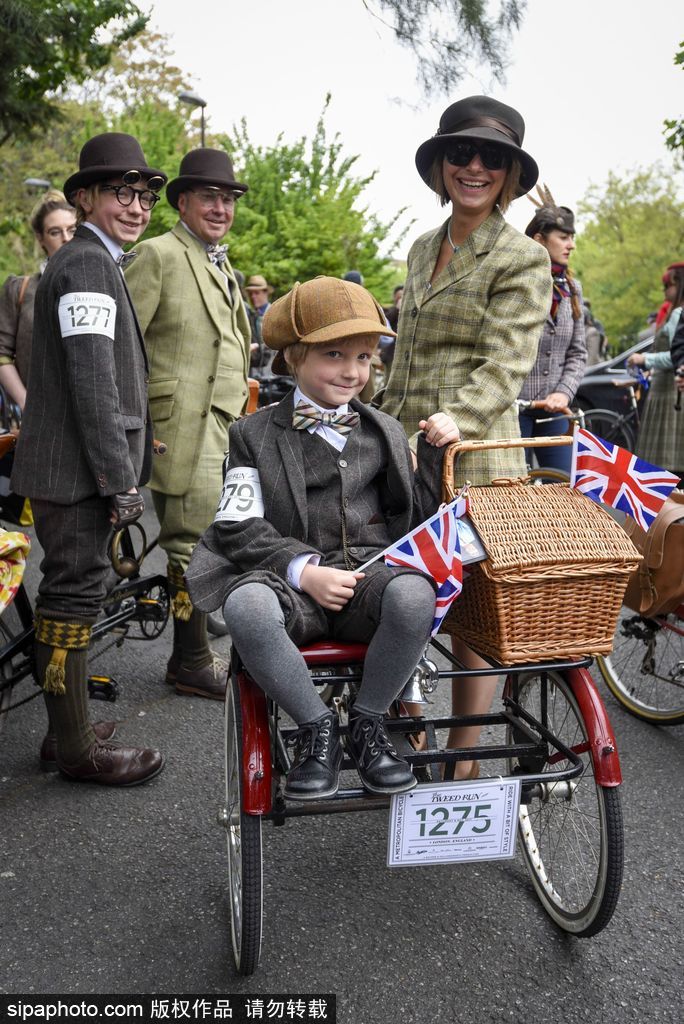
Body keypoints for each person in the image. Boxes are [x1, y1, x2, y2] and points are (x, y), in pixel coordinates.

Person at [185, 276, 460, 800]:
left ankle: (369, 722)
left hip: (367, 581)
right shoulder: (253, 434)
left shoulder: (383, 428)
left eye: (364, 356)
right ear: (293, 356)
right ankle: (316, 728)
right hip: (293, 588)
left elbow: (418, 523)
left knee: (415, 593)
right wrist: (303, 569)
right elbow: (236, 525)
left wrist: (433, 454)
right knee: (244, 607)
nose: (353, 371)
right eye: (334, 355)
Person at [377, 95, 551, 778]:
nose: (473, 167)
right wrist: (365, 420)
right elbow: (404, 354)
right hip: (401, 445)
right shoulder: (423, 246)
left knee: (472, 601)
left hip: (472, 452)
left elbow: (508, 361)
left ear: (509, 174)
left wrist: (462, 415)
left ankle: (465, 755)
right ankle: (408, 716)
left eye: (492, 158)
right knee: (402, 590)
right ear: (441, 163)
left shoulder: (521, 256)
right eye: (461, 153)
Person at [11, 132, 166, 784]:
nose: (135, 206)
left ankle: (63, 732)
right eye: (119, 193)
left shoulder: (86, 261)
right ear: (85, 198)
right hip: (78, 472)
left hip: (68, 467)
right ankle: (76, 749)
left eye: (142, 195)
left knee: (69, 597)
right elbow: (92, 380)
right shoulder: (87, 265)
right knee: (71, 601)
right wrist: (117, 479)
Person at [125, 148, 252, 701]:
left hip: (221, 424)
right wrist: (136, 425)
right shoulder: (156, 254)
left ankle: (189, 656)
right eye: (210, 197)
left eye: (227, 199)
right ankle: (194, 660)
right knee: (189, 542)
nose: (221, 208)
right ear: (182, 201)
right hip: (177, 426)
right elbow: (123, 347)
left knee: (213, 537)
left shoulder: (219, 261)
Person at [518, 192, 587, 474]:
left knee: (563, 488)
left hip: (555, 412)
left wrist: (563, 393)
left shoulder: (573, 288)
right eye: (563, 237)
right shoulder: (517, 283)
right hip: (514, 409)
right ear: (539, 240)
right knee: (510, 492)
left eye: (572, 237)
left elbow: (578, 352)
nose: (571, 245)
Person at [0, 190, 76, 411]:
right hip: (40, 416)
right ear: (41, 238)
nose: (66, 238)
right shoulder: (21, 290)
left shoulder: (104, 283)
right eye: (55, 232)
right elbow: (1, 353)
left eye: (73, 229)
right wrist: (26, 401)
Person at [627, 261, 684, 476]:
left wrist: (644, 360)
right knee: (662, 465)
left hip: (672, 396)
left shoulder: (679, 314)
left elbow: (676, 357)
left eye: (667, 286)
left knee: (668, 465)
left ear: (679, 284)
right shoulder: (674, 313)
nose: (665, 291)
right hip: (664, 393)